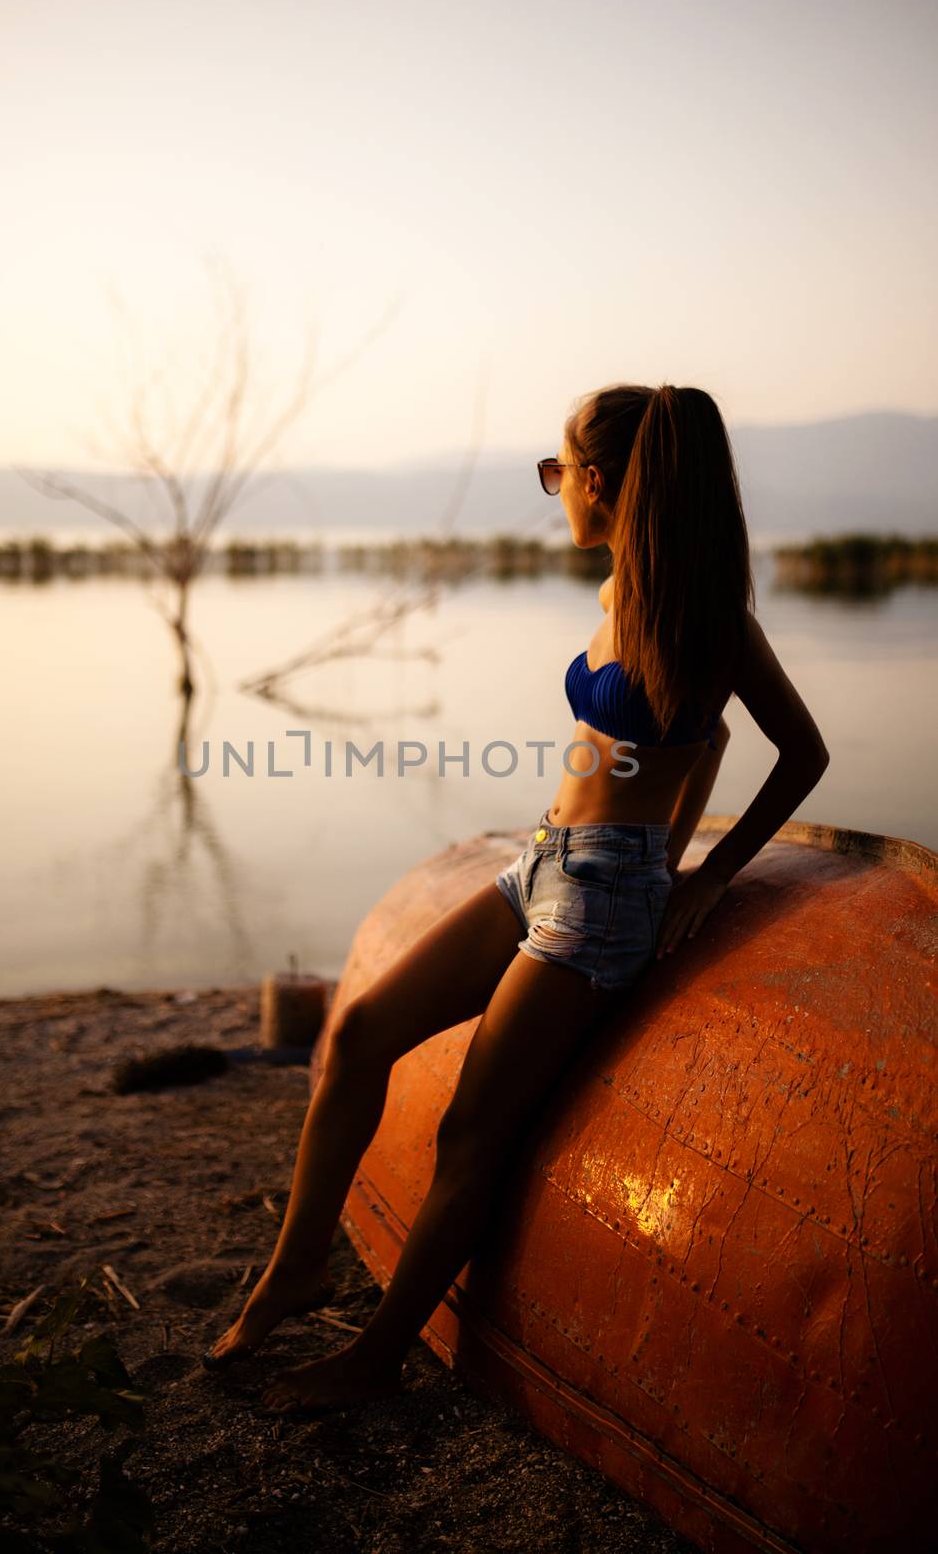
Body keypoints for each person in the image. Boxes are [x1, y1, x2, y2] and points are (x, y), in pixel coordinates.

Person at [201, 382, 830, 1412]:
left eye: (554, 471)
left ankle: (372, 1359)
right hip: (544, 863)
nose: (552, 493)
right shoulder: (620, 596)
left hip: (602, 902)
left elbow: (795, 751)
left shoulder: (711, 616)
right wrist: (662, 838)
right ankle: (296, 1265)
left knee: (472, 1128)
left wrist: (701, 876)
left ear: (594, 480)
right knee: (359, 1030)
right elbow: (699, 738)